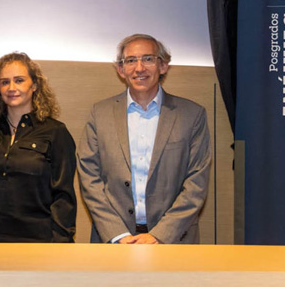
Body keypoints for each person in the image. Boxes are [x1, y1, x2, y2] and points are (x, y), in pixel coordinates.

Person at [78, 33, 212, 244]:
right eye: (131, 60)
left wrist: (160, 235)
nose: (139, 68)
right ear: (121, 69)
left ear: (163, 66)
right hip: (114, 242)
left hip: (174, 240)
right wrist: (118, 234)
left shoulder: (192, 115)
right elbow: (89, 178)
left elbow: (196, 182)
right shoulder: (100, 113)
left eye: (148, 59)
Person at [0, 53, 76, 242]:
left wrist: (59, 243)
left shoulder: (55, 132)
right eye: (4, 82)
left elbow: (64, 197)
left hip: (36, 241)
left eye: (19, 80)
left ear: (34, 85)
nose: (11, 88)